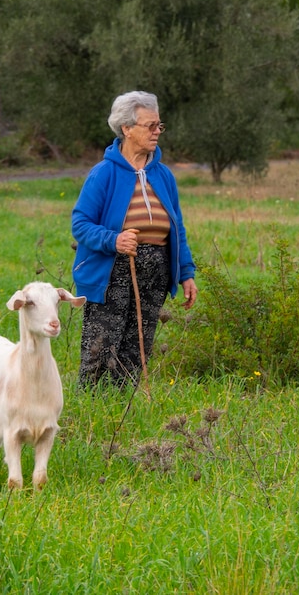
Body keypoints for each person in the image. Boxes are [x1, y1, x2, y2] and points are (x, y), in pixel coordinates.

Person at [71, 90, 197, 389]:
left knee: (137, 345)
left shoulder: (163, 175)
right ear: (127, 128)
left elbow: (176, 228)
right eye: (149, 126)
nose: (157, 132)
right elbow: (80, 223)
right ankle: (91, 406)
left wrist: (186, 273)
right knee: (101, 345)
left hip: (156, 270)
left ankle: (122, 404)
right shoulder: (104, 173)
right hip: (112, 270)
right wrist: (113, 240)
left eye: (159, 126)